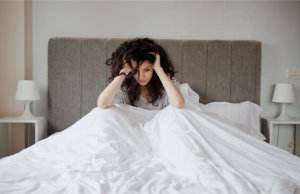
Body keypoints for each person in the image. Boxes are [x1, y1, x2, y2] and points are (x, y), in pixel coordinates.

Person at [97, 38, 185, 110]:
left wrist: (159, 69)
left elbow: (179, 103)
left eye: (147, 70)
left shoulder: (164, 86)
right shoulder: (125, 88)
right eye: (135, 71)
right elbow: (102, 103)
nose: (141, 76)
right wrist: (124, 71)